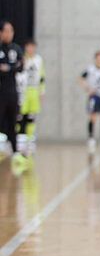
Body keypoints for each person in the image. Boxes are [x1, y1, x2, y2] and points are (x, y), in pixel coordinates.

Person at [0, 21, 27, 170]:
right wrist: (11, 67)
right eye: (6, 31)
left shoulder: (16, 49)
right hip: (1, 91)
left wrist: (8, 68)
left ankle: (16, 151)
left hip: (12, 91)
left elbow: (21, 65)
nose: (9, 34)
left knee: (13, 121)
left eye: (11, 31)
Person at [17, 40, 45, 155]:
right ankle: (19, 138)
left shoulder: (38, 60)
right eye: (28, 47)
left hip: (34, 90)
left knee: (31, 115)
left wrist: (42, 91)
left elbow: (42, 76)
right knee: (21, 115)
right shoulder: (22, 58)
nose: (30, 49)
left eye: (32, 47)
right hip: (24, 90)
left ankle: (30, 138)